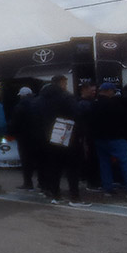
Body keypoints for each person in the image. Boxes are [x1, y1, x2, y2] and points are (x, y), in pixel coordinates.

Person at [35, 75, 90, 206]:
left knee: (54, 166)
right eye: (65, 83)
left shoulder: (40, 99)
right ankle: (75, 197)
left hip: (48, 135)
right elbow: (77, 113)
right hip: (68, 134)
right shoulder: (66, 97)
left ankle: (56, 196)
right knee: (72, 167)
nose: (66, 85)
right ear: (61, 83)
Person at [92, 83, 127, 199]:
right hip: (116, 137)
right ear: (108, 91)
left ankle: (108, 189)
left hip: (99, 139)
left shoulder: (93, 104)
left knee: (104, 164)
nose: (114, 93)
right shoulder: (115, 104)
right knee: (126, 163)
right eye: (113, 91)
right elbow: (125, 119)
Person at [7, 86, 41, 190]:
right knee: (39, 160)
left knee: (26, 161)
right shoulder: (38, 104)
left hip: (24, 138)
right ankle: (41, 182)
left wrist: (10, 133)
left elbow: (15, 123)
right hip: (38, 137)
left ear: (22, 96)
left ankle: (28, 183)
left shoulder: (19, 107)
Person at [73, 82, 98, 191]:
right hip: (88, 135)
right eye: (91, 90)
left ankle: (87, 178)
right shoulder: (86, 104)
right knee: (90, 157)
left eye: (94, 90)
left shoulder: (78, 103)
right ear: (84, 90)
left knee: (88, 157)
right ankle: (92, 182)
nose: (94, 92)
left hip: (86, 135)